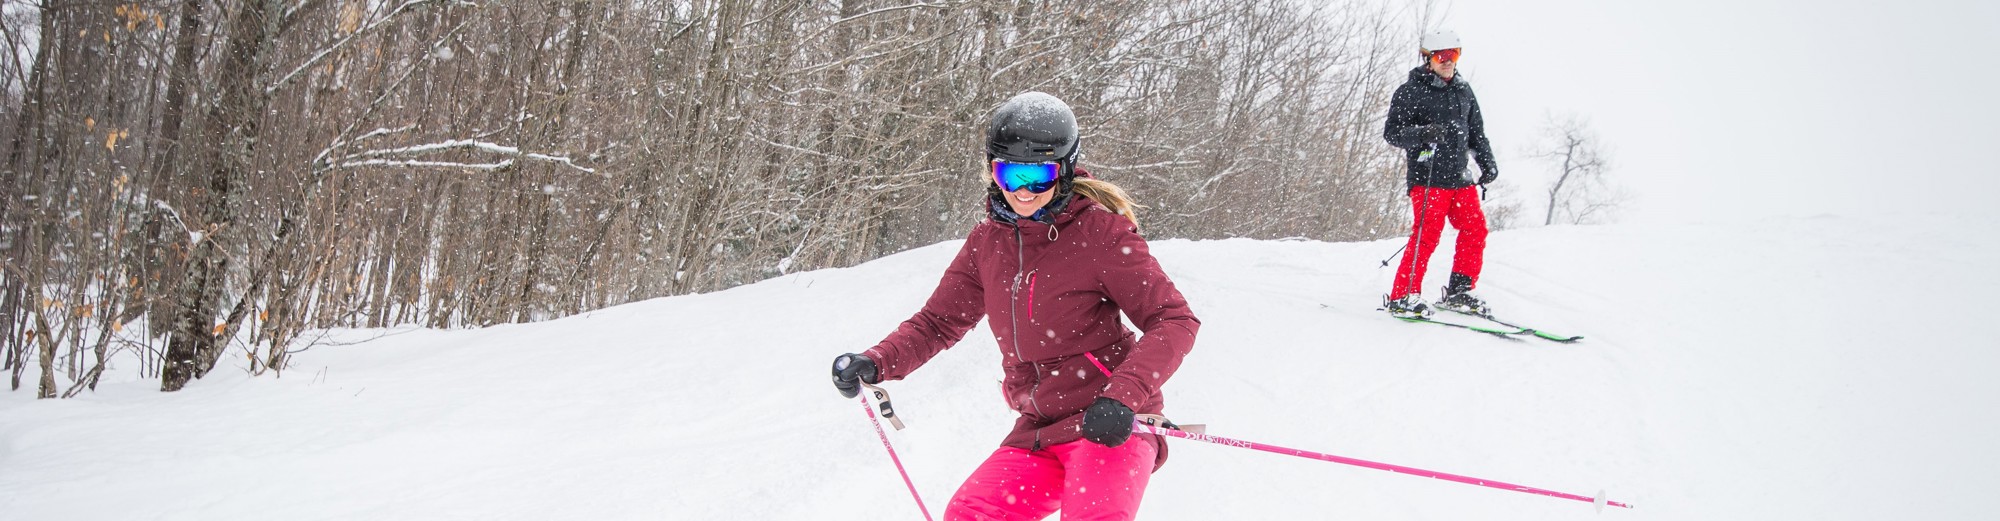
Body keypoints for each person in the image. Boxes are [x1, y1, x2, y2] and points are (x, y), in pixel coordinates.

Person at [830, 91, 1200, 520]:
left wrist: (1123, 396)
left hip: (1110, 425)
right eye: (1010, 175)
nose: (1023, 192)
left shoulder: (1101, 235)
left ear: (1063, 170)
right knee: (970, 513)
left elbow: (1174, 319)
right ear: (992, 170)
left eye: (1038, 177)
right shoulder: (987, 244)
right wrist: (877, 362)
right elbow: (938, 322)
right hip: (1041, 429)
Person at [1381, 29, 1499, 318]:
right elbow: (1392, 133)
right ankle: (1403, 296)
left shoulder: (1463, 90)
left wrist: (1487, 163)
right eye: (1441, 56)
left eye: (1453, 55)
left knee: (1474, 230)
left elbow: (1477, 134)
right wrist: (1422, 133)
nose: (1447, 61)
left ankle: (1460, 291)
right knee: (1427, 237)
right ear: (1428, 58)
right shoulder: (1410, 92)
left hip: (1460, 178)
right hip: (1428, 178)